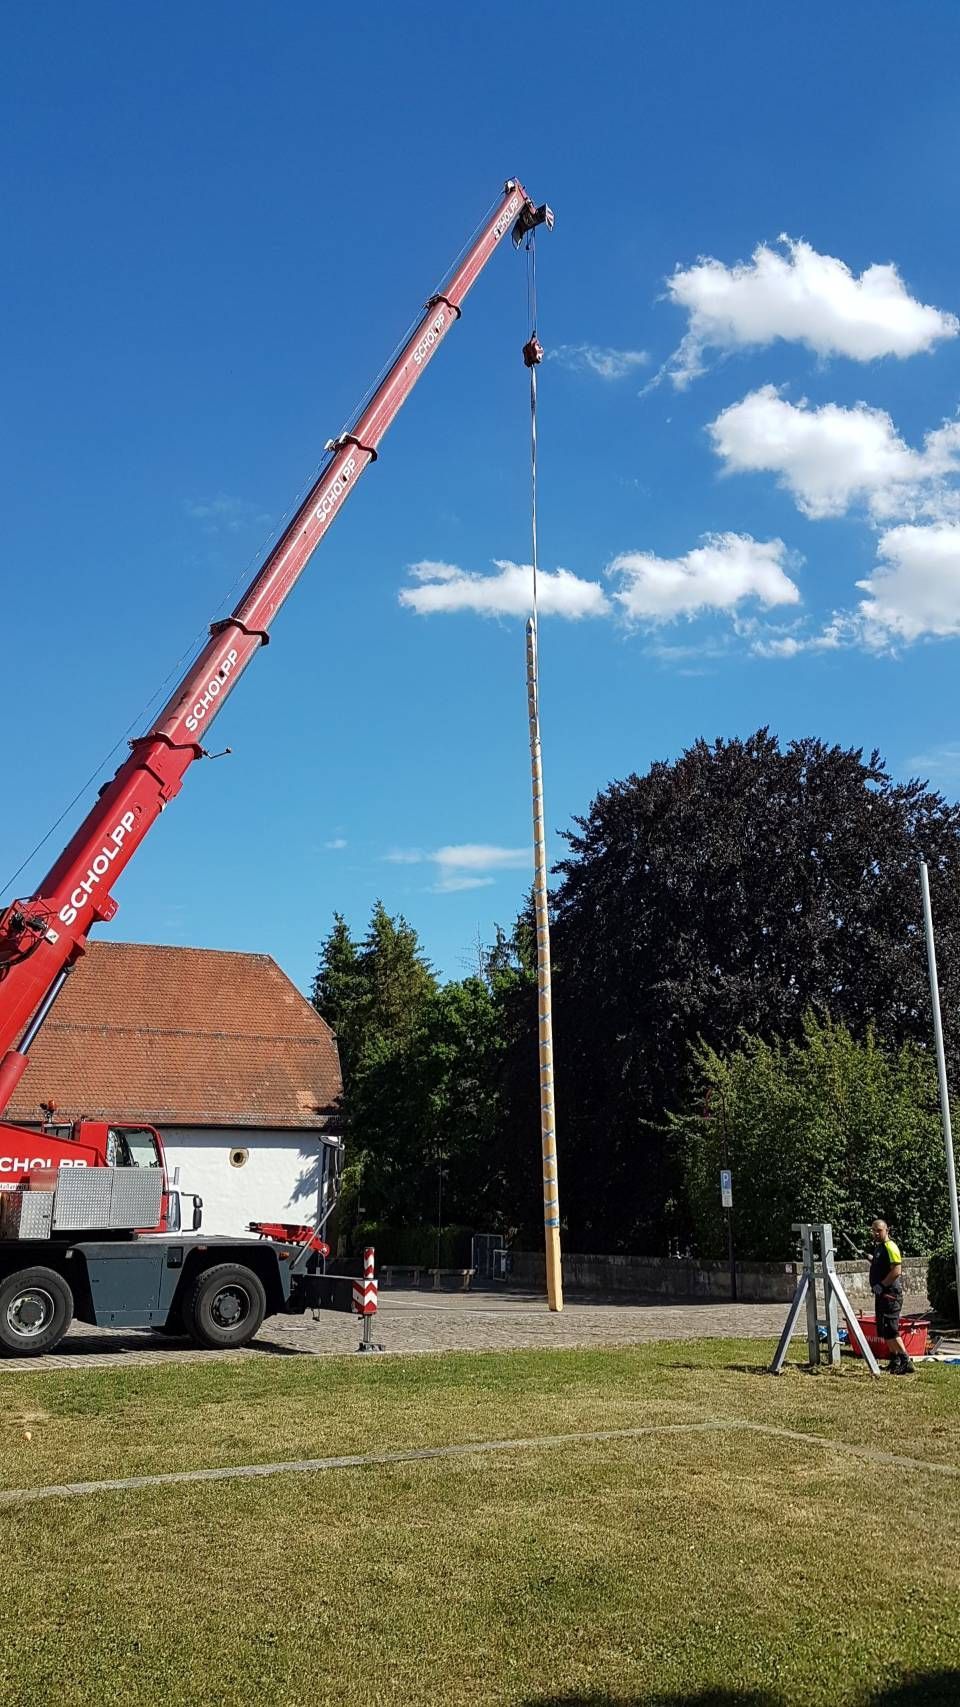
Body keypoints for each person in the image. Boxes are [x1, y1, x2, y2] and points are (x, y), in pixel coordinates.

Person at [869, 1219, 914, 1375]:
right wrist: (871, 1259)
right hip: (881, 1295)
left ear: (886, 1230)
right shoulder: (879, 1248)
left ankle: (906, 1360)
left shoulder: (890, 1246)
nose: (875, 1233)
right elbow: (881, 1264)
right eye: (873, 1230)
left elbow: (896, 1270)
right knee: (883, 1329)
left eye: (879, 1230)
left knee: (891, 1330)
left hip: (890, 1295)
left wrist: (881, 1285)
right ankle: (894, 1360)